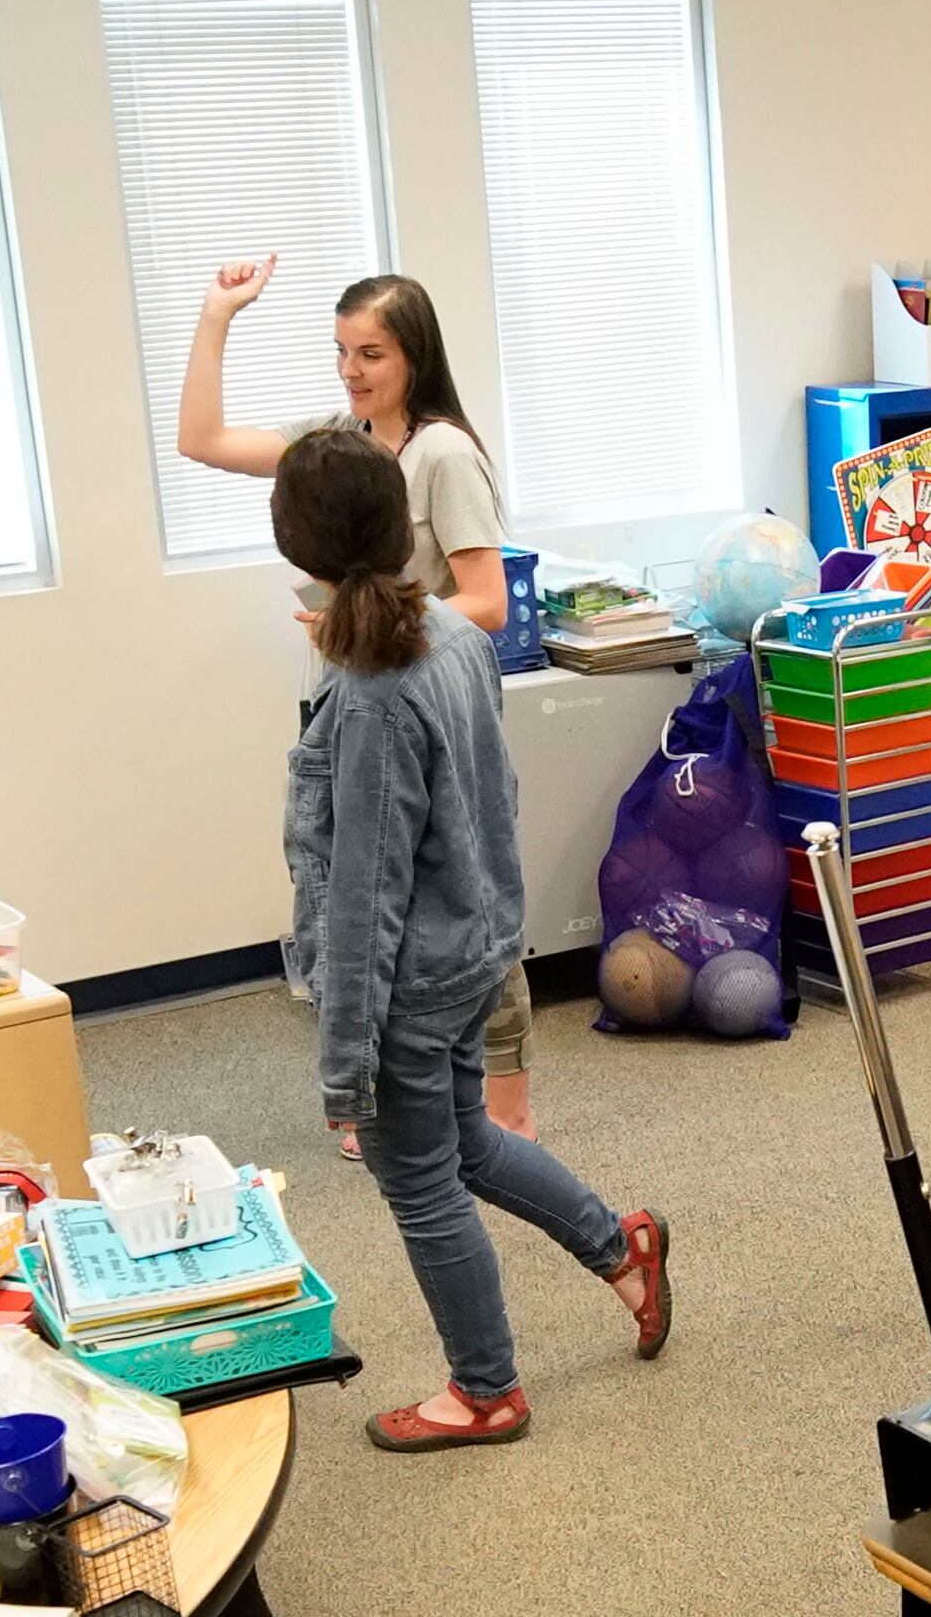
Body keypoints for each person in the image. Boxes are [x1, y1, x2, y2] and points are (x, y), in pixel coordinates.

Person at [277, 429, 668, 1452]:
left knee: (418, 1179)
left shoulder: (365, 698)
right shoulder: (449, 631)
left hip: (410, 978)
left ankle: (484, 1389)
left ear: (300, 553)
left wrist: (340, 1069)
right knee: (465, 1141)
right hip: (478, 944)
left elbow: (361, 899)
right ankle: (619, 1248)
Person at [182, 258, 545, 1140]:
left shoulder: (444, 454)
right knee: (351, 891)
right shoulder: (341, 439)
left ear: (413, 355)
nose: (353, 370)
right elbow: (204, 440)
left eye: (371, 353)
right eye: (342, 351)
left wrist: (373, 627)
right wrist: (216, 315)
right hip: (349, 698)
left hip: (423, 701)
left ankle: (507, 1110)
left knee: (458, 894)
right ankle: (378, 1092)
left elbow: (487, 604)